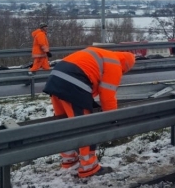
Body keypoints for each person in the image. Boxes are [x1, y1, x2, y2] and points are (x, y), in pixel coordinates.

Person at [43, 47, 136, 178]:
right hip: (72, 84)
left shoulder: (104, 54)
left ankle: (69, 160)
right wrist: (113, 118)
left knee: (64, 124)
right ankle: (89, 167)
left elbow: (90, 77)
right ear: (125, 66)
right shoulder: (115, 65)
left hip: (55, 79)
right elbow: (107, 96)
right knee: (86, 127)